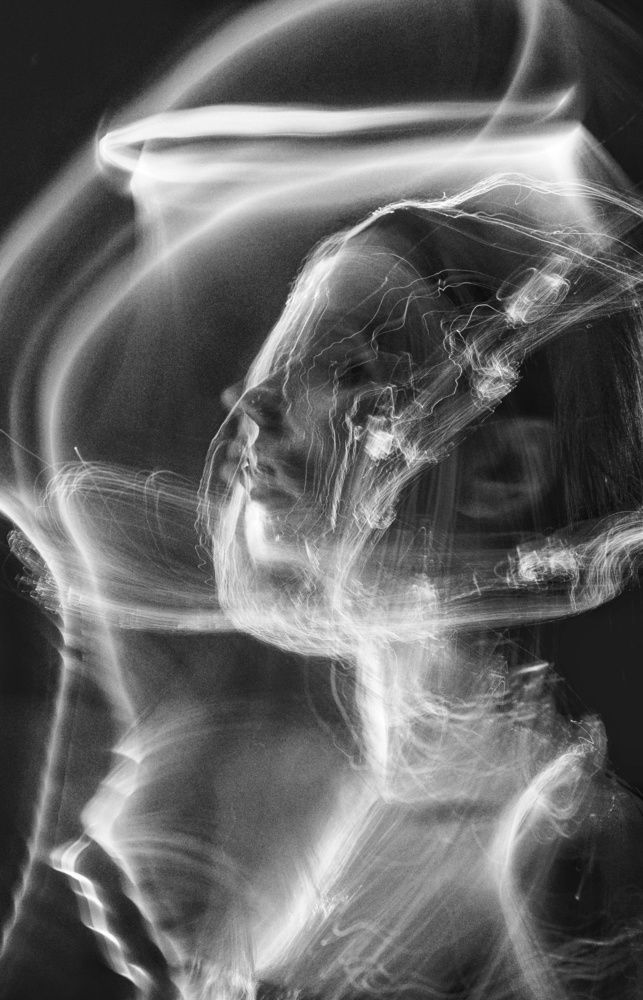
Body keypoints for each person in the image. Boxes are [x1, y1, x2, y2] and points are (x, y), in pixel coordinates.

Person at [202, 181, 643, 999]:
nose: (256, 400)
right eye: (284, 354)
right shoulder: (366, 805)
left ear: (503, 472)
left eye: (346, 368)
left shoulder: (564, 860)